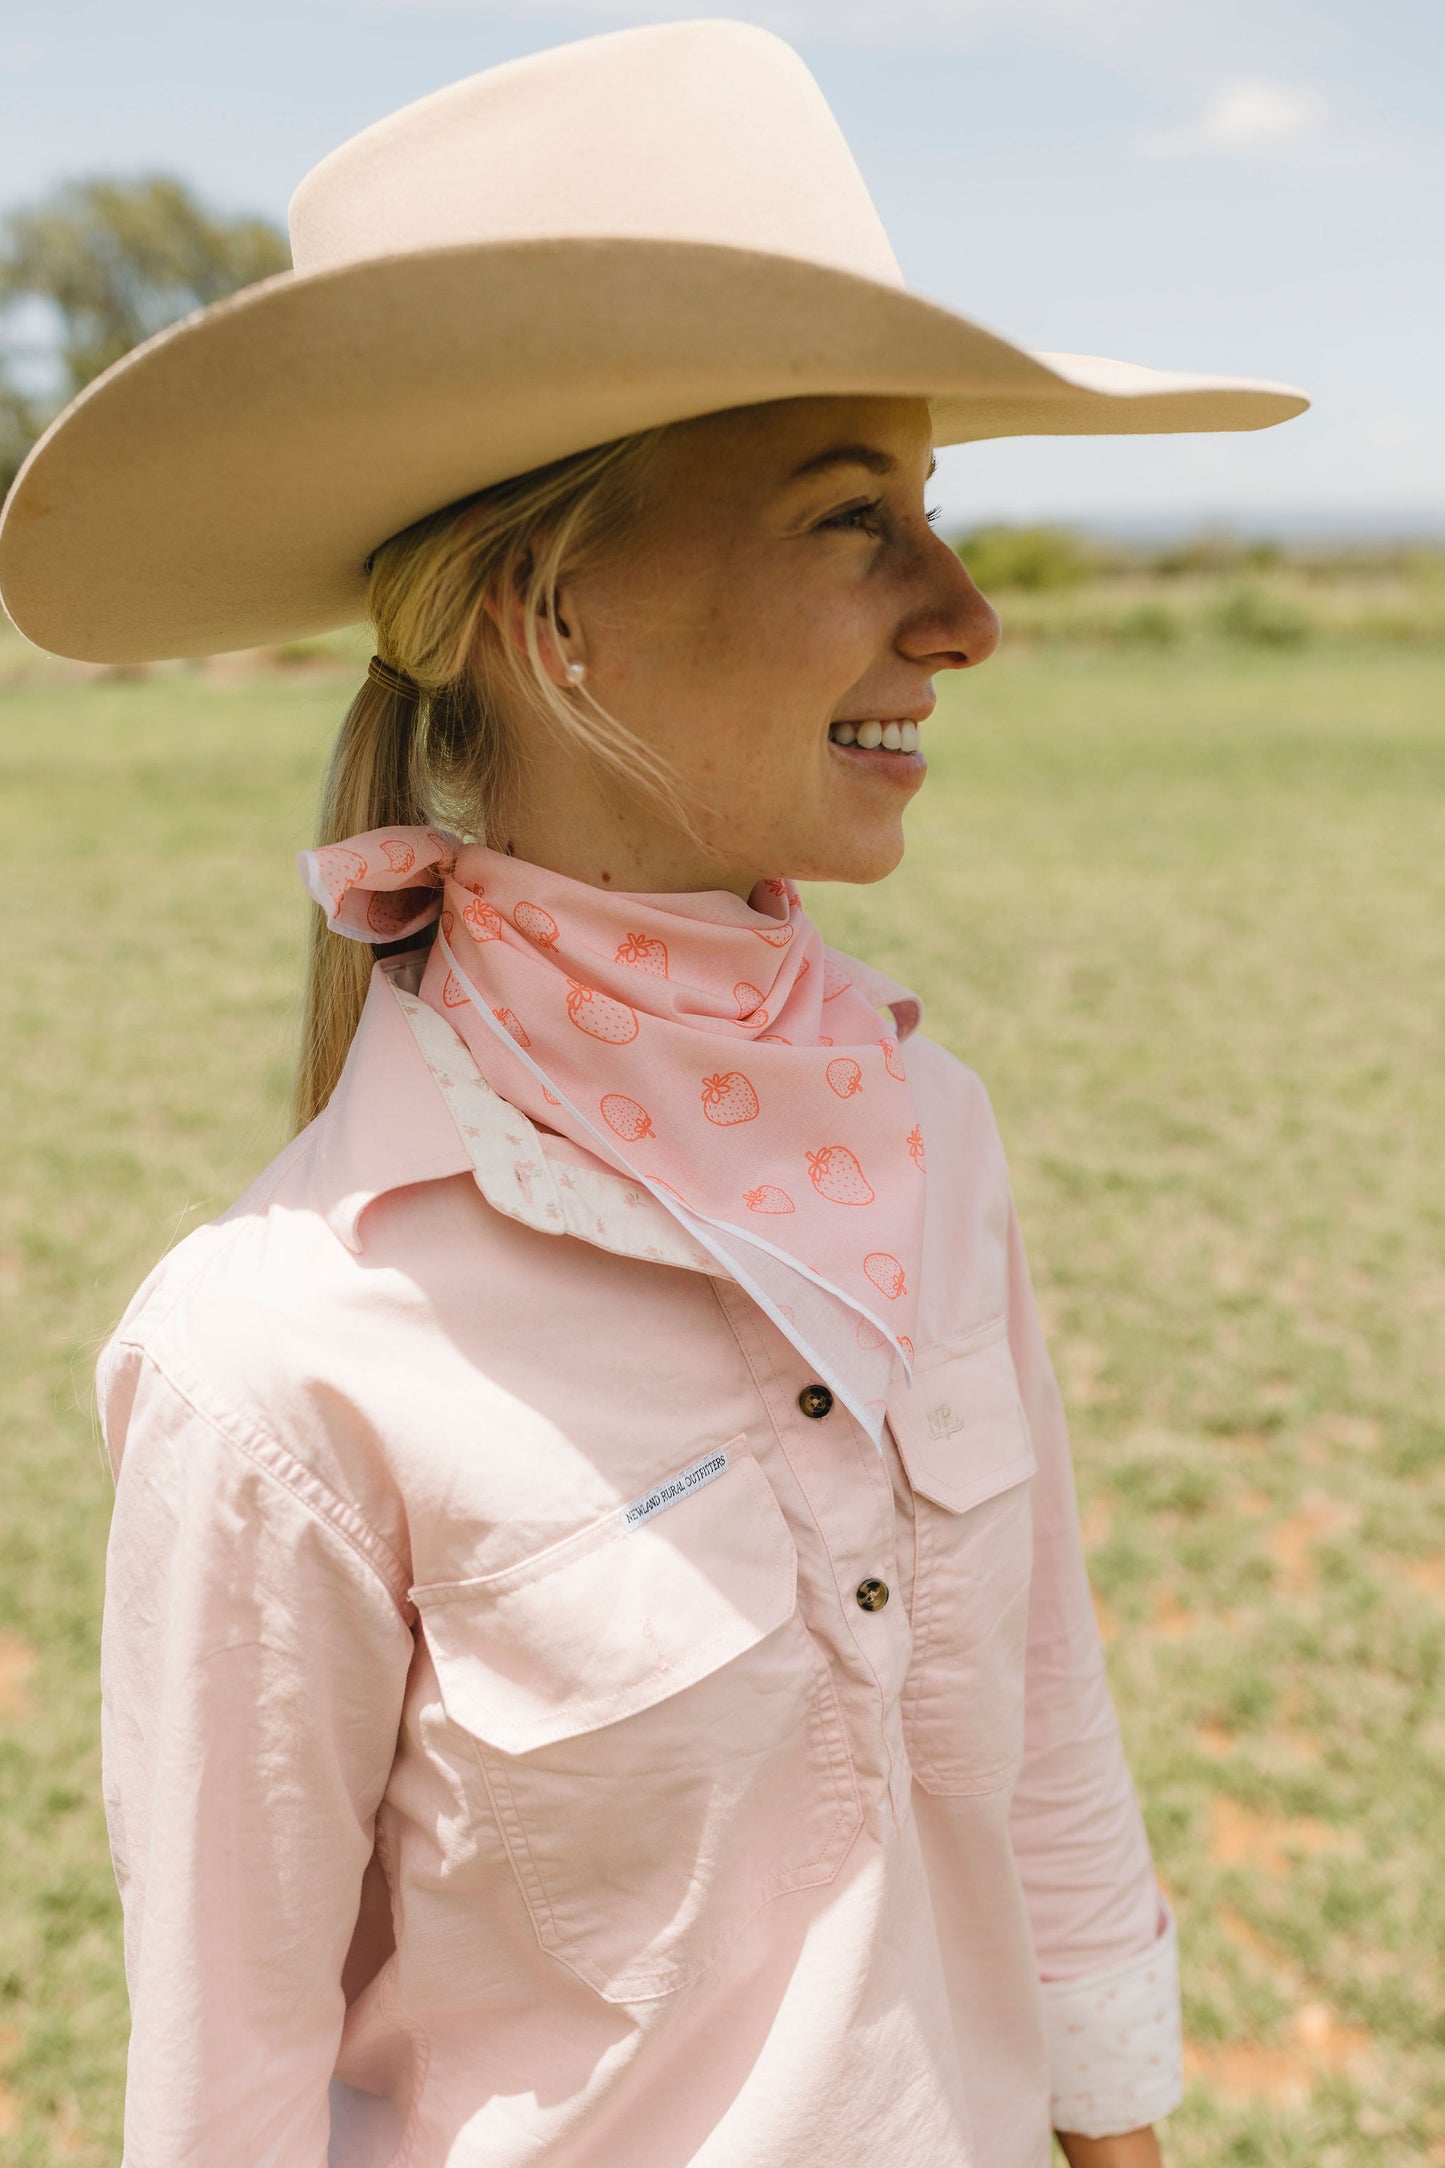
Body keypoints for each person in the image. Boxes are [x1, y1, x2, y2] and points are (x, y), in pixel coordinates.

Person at [0, 20, 1308, 2168]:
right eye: (852, 517)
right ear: (555, 615)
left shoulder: (929, 1135)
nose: (964, 614)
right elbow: (222, 2105)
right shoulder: (273, 1368)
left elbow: (1050, 1754)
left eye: (934, 515)